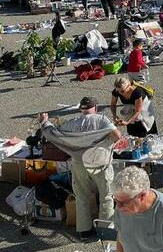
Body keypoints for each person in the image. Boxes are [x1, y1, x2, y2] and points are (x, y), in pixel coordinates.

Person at [38, 97, 121, 240]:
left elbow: (53, 134)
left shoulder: (73, 123)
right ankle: (104, 231)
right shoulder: (102, 120)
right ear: (96, 107)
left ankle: (84, 231)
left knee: (81, 196)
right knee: (106, 196)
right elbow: (116, 136)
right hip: (100, 162)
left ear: (81, 109)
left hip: (79, 162)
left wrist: (45, 121)